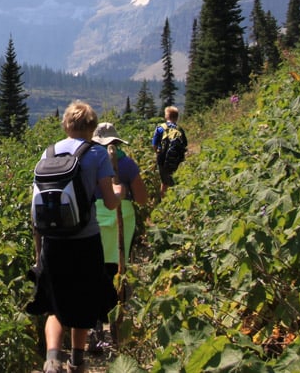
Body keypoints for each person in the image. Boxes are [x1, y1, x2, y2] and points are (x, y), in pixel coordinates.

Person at [26, 101, 121, 373]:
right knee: (83, 301)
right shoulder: (97, 154)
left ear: (66, 124)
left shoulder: (48, 154)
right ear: (91, 127)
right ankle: (76, 362)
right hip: (85, 240)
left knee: (54, 305)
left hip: (52, 242)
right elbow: (111, 202)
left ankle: (52, 358)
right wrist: (119, 191)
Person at [88, 121, 148, 354]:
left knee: (95, 269)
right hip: (123, 217)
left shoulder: (88, 162)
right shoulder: (127, 164)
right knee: (116, 269)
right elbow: (142, 199)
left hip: (94, 219)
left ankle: (95, 327)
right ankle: (116, 327)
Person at [151, 105, 185, 194]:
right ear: (177, 117)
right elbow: (184, 145)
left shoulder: (160, 128)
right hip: (176, 160)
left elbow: (154, 145)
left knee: (164, 182)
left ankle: (163, 201)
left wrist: (158, 153)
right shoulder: (180, 129)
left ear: (166, 116)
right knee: (174, 180)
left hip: (162, 159)